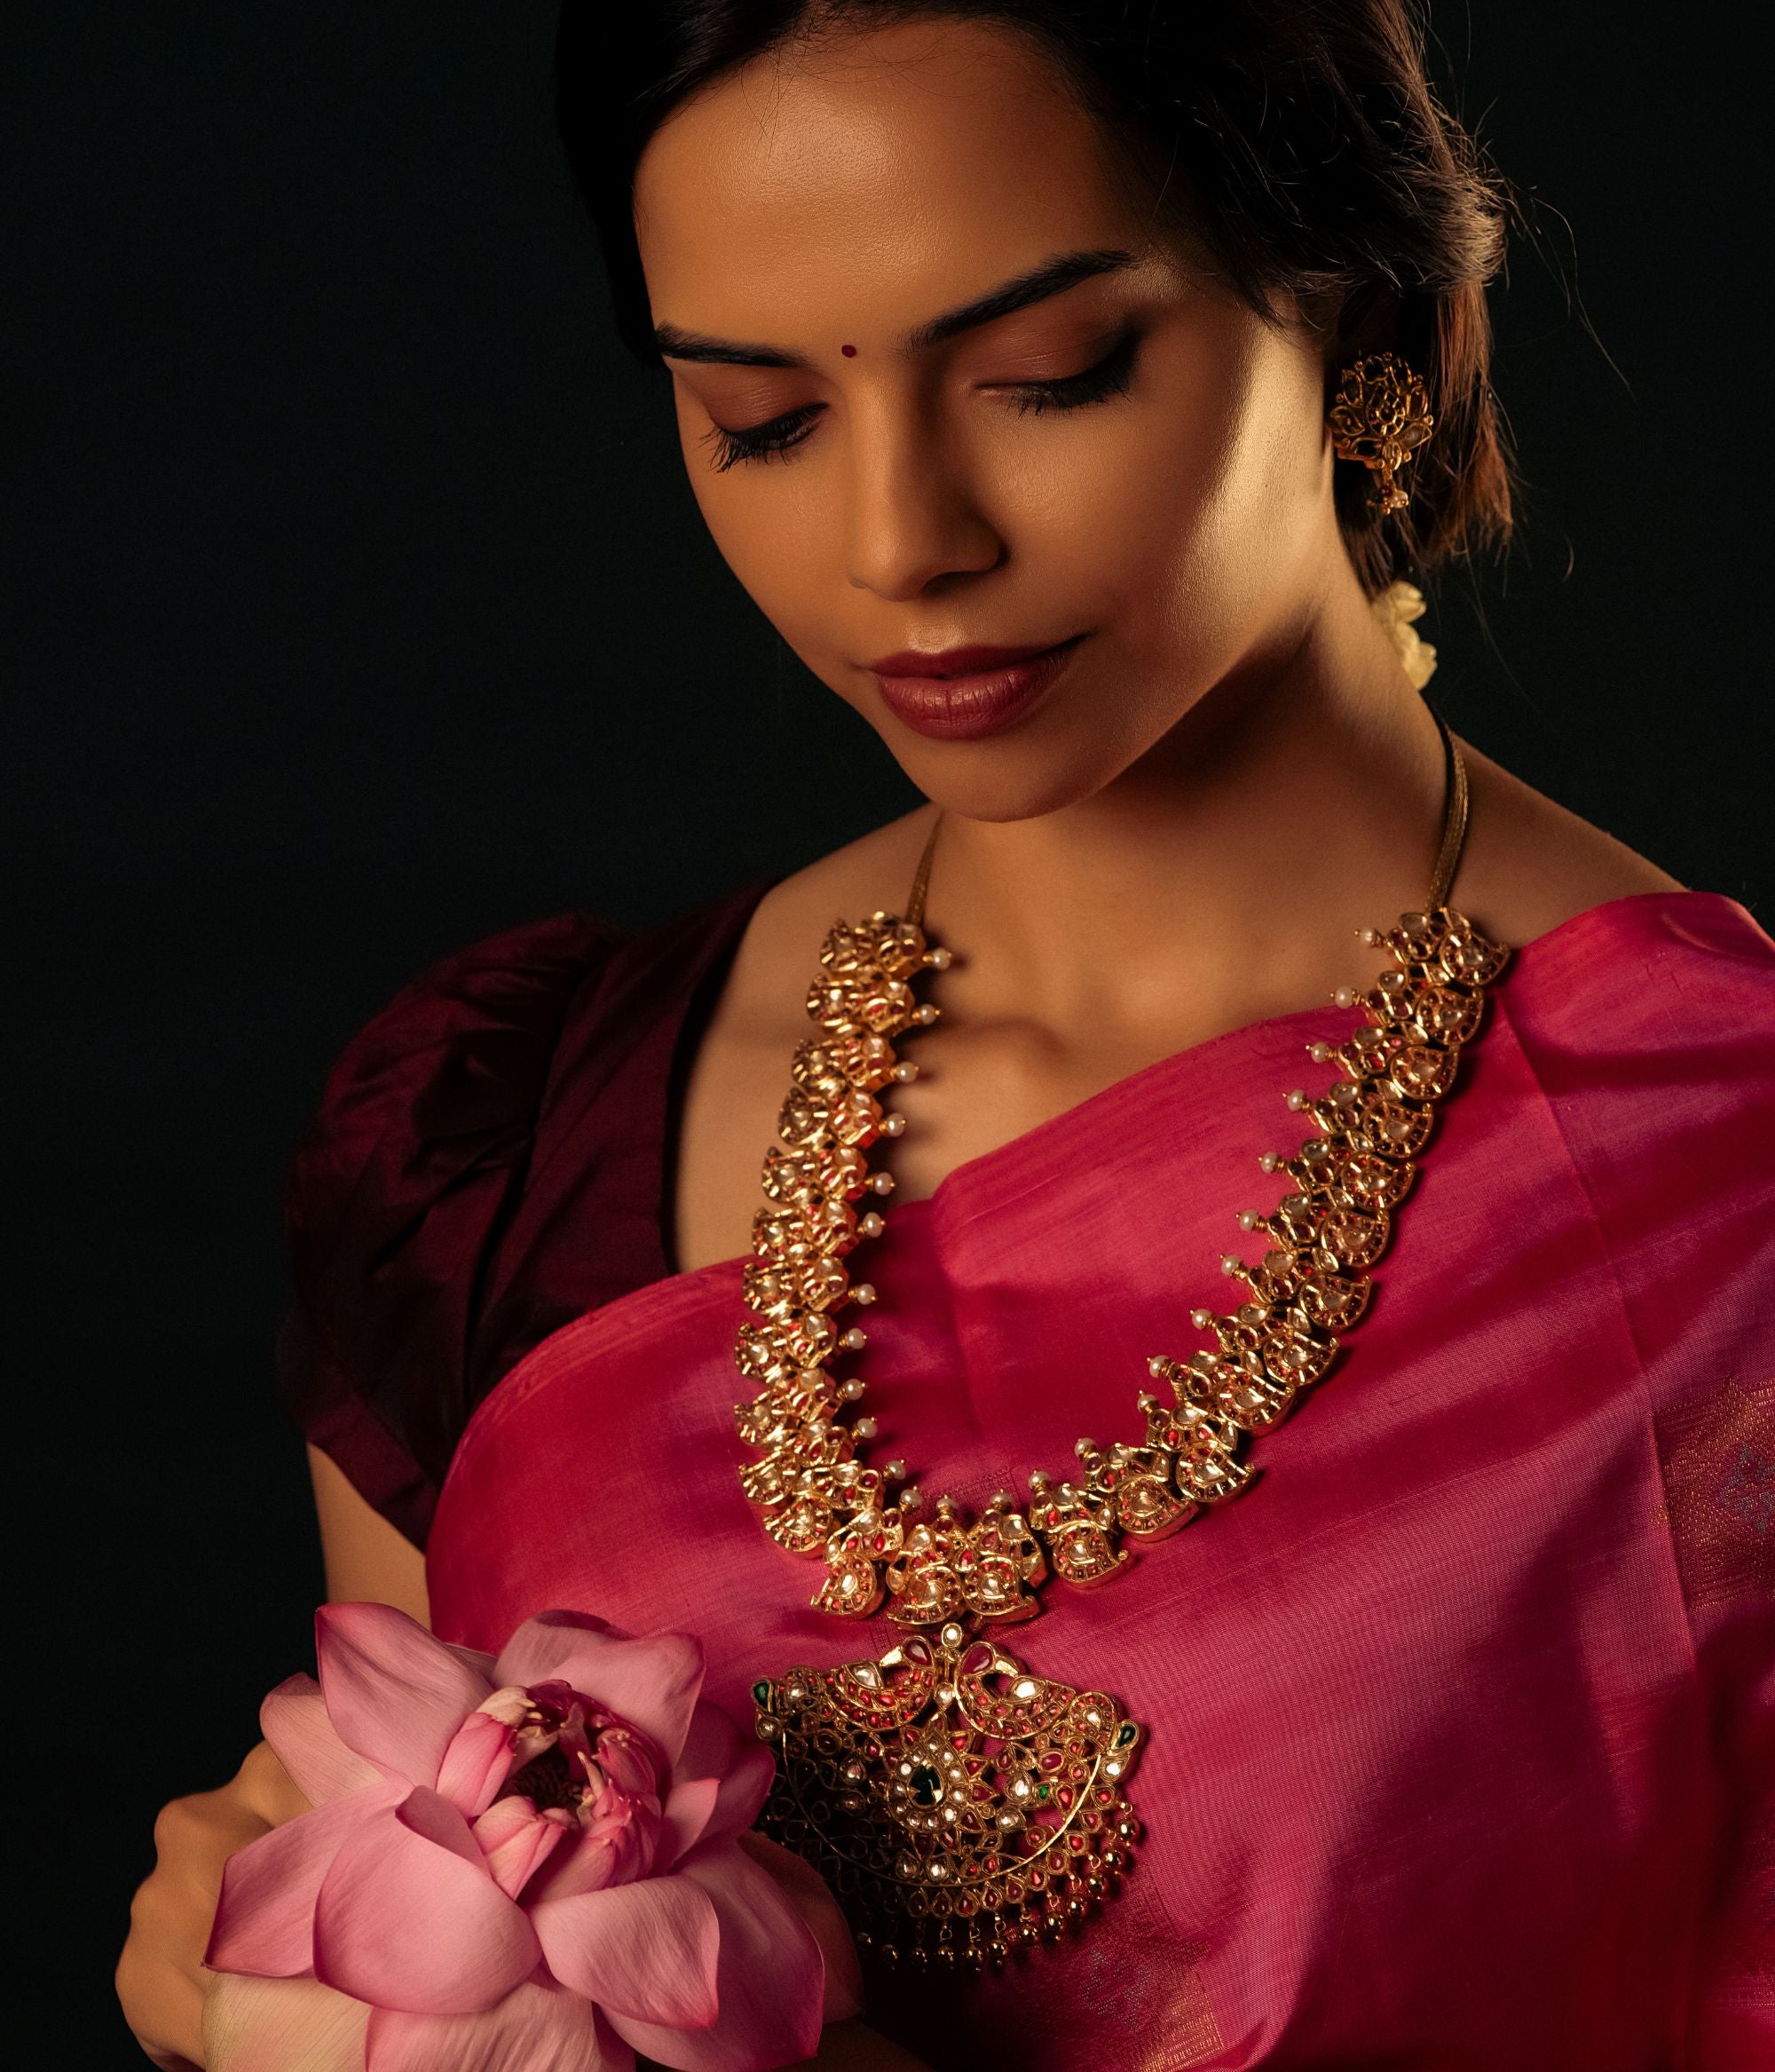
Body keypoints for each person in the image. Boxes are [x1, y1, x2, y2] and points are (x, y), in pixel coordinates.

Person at [118, 4, 1773, 2067]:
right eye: (760, 420)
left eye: (1045, 378)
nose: (903, 544)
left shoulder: (1719, 1169)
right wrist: (270, 1988)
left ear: (1349, 305)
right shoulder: (516, 1145)